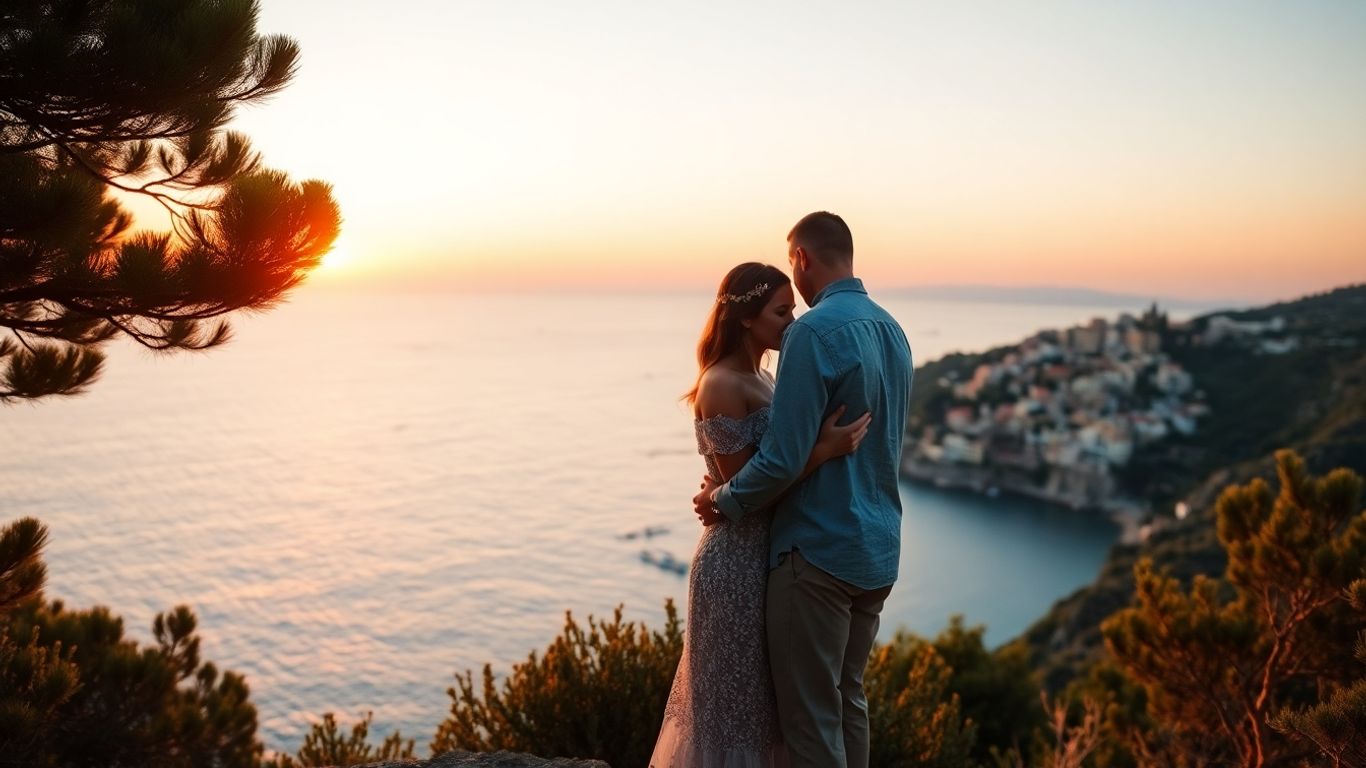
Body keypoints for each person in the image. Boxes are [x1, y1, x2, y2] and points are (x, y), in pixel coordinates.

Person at [693, 212, 913, 768]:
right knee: (848, 702)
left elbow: (781, 458)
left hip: (816, 554)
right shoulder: (892, 330)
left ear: (801, 259)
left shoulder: (815, 333)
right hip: (877, 548)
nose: (790, 319)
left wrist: (724, 500)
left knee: (811, 723)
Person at [650, 261, 873, 768]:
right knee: (734, 715)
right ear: (747, 317)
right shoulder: (723, 383)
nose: (792, 322)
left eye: (793, 308)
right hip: (734, 566)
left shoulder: (766, 376)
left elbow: (744, 483)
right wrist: (822, 450)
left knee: (770, 710)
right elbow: (753, 490)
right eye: (781, 311)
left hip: (770, 558)